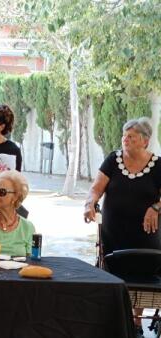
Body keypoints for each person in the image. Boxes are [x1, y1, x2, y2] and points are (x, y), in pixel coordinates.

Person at [84, 118, 161, 335]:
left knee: (143, 274)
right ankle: (116, 319)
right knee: (114, 270)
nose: (125, 140)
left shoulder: (158, 165)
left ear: (145, 141)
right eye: (124, 136)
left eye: (131, 137)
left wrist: (155, 206)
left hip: (146, 233)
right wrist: (90, 203)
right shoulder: (113, 160)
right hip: (114, 231)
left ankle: (135, 324)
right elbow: (96, 188)